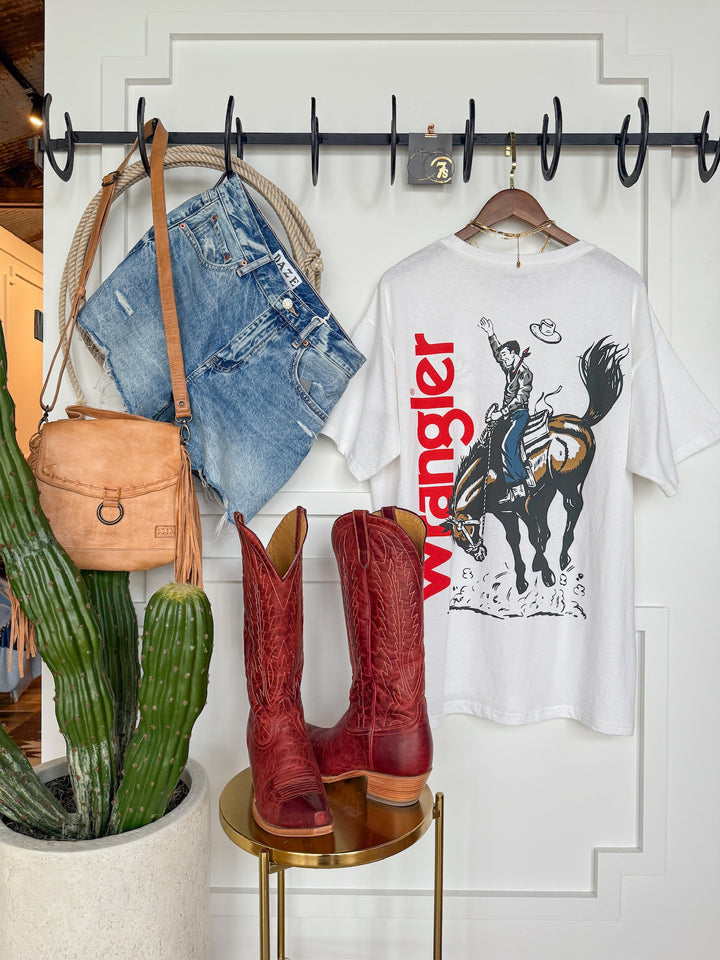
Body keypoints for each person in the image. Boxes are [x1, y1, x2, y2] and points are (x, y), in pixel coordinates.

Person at [478, 316, 532, 502]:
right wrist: (491, 334)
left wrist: (500, 412)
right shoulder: (510, 368)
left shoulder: (525, 373)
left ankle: (518, 487)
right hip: (507, 415)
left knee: (507, 445)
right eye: (503, 357)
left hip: (519, 414)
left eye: (506, 356)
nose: (503, 359)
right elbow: (497, 353)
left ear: (514, 354)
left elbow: (521, 398)